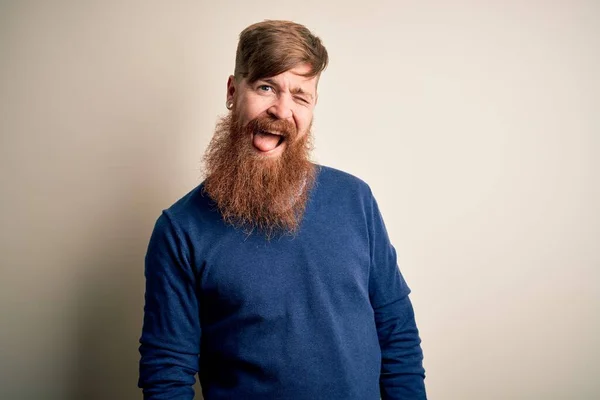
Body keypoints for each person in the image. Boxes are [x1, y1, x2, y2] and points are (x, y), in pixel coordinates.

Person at [138, 20, 426, 400]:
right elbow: (167, 376)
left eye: (300, 96)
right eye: (265, 87)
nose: (281, 110)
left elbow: (397, 333)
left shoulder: (355, 199)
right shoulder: (180, 229)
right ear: (232, 91)